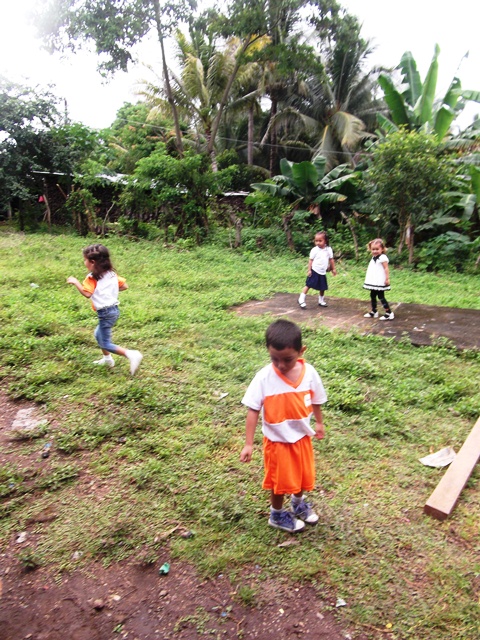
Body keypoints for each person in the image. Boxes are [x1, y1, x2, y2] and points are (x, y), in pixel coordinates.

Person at [240, 319, 327, 533]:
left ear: (301, 351)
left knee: (301, 475)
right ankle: (276, 514)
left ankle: (298, 503)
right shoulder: (264, 378)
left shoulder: (309, 373)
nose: (280, 365)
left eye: (287, 359)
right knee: (279, 482)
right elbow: (252, 410)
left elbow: (316, 399)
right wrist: (248, 444)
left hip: (301, 438)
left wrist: (319, 422)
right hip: (277, 442)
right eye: (274, 359)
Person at [67, 244, 143, 374]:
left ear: (92, 262)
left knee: (105, 343)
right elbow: (124, 286)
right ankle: (107, 359)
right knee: (98, 334)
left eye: (85, 260)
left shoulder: (91, 278)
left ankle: (131, 354)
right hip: (113, 311)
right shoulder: (111, 274)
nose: (84, 262)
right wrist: (108, 291)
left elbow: (87, 294)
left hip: (105, 313)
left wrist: (75, 282)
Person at [298, 231, 336, 308]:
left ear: (325, 241)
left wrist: (333, 269)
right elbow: (310, 260)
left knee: (322, 287)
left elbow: (331, 259)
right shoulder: (314, 250)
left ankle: (321, 300)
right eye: (316, 241)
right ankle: (301, 299)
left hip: (322, 272)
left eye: (320, 241)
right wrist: (309, 270)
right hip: (314, 270)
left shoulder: (328, 249)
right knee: (308, 285)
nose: (318, 243)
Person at [363, 238, 394, 321]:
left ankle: (389, 313)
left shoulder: (383, 257)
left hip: (380, 281)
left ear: (382, 249)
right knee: (372, 295)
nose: (375, 251)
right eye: (373, 249)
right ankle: (374, 311)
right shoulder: (373, 257)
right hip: (374, 281)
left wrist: (387, 279)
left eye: (377, 249)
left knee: (381, 296)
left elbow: (386, 268)